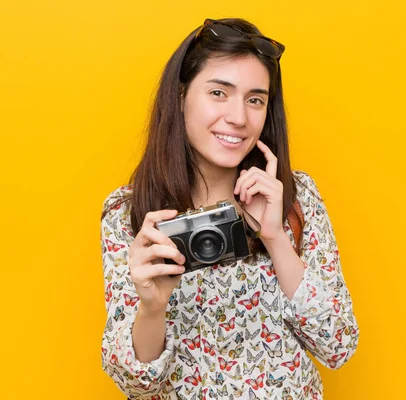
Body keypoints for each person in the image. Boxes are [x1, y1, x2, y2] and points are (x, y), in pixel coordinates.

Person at [99, 17, 359, 400]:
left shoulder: (295, 197)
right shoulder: (131, 213)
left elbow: (338, 346)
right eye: (219, 93)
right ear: (181, 95)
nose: (239, 118)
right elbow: (137, 384)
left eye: (255, 99)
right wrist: (152, 308)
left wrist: (273, 236)